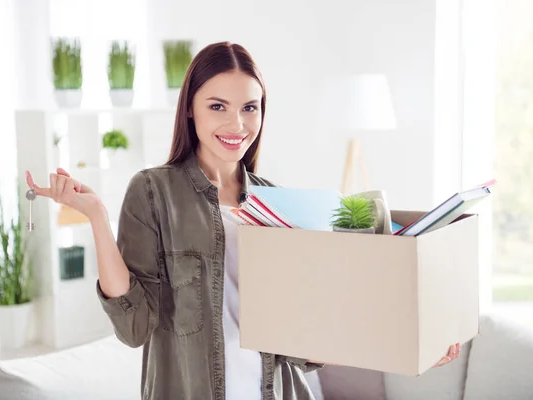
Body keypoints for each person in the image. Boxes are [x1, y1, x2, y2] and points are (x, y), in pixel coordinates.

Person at [26, 41, 460, 400]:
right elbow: (135, 326)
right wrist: (98, 220)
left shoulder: (279, 202)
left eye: (250, 108)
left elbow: (306, 340)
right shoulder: (153, 192)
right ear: (191, 109)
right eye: (219, 106)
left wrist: (410, 342)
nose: (237, 123)